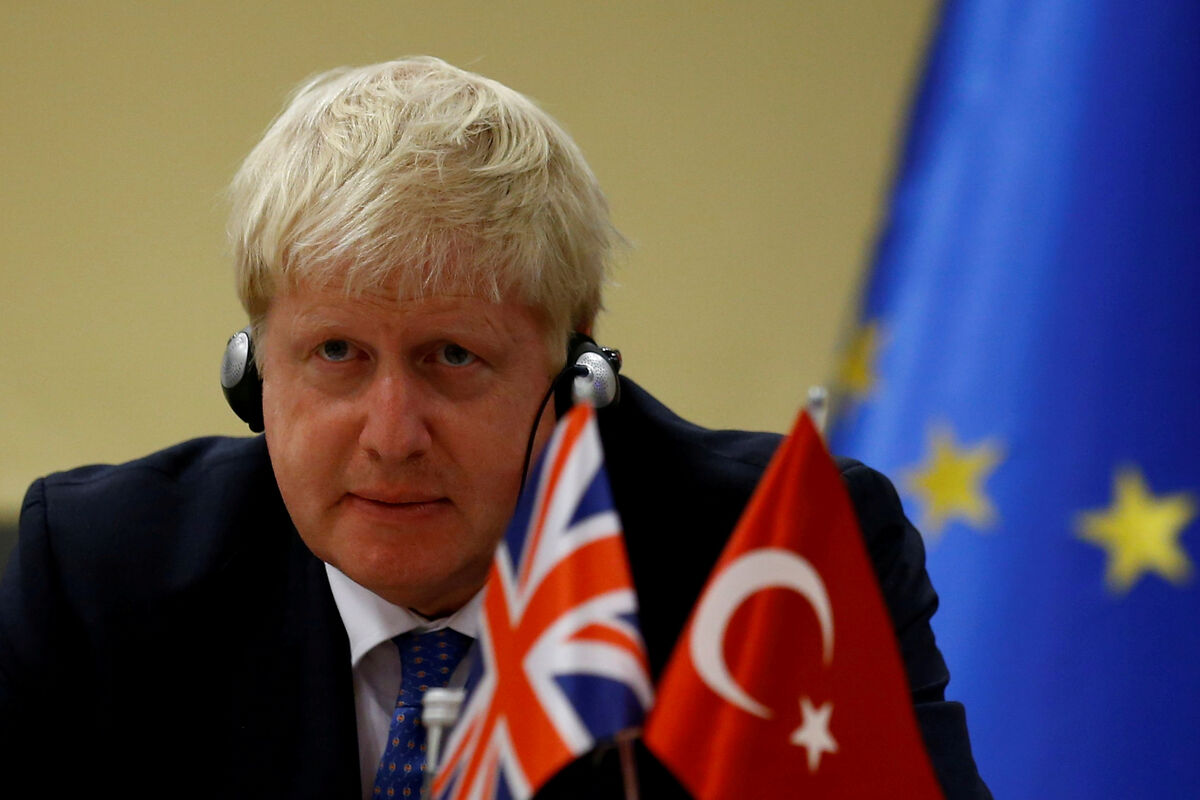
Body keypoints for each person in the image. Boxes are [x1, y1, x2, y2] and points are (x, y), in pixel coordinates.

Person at [0, 57, 990, 798]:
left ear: (579, 380)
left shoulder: (776, 563)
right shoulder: (103, 573)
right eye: (337, 352)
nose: (392, 435)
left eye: (452, 357)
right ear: (254, 371)